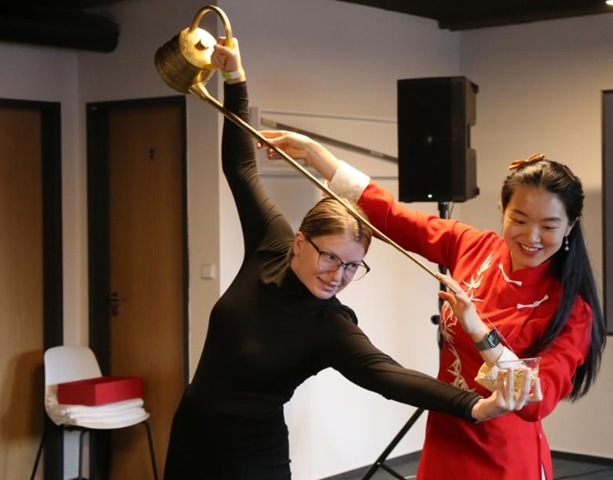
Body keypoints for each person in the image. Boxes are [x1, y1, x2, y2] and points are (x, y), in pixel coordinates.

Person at [163, 38, 541, 480]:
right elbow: (241, 169)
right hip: (191, 429)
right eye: (331, 258)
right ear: (300, 242)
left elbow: (389, 376)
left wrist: (475, 406)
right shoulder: (271, 242)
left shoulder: (331, 326)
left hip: (251, 454)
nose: (339, 275)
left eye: (352, 266)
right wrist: (235, 79)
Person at [258, 130, 606, 479]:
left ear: (570, 226)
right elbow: (392, 218)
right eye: (518, 220)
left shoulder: (572, 308)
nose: (530, 237)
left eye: (548, 225)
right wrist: (317, 157)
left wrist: (481, 332)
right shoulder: (475, 246)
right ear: (503, 210)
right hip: (446, 432)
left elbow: (537, 400)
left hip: (503, 453)